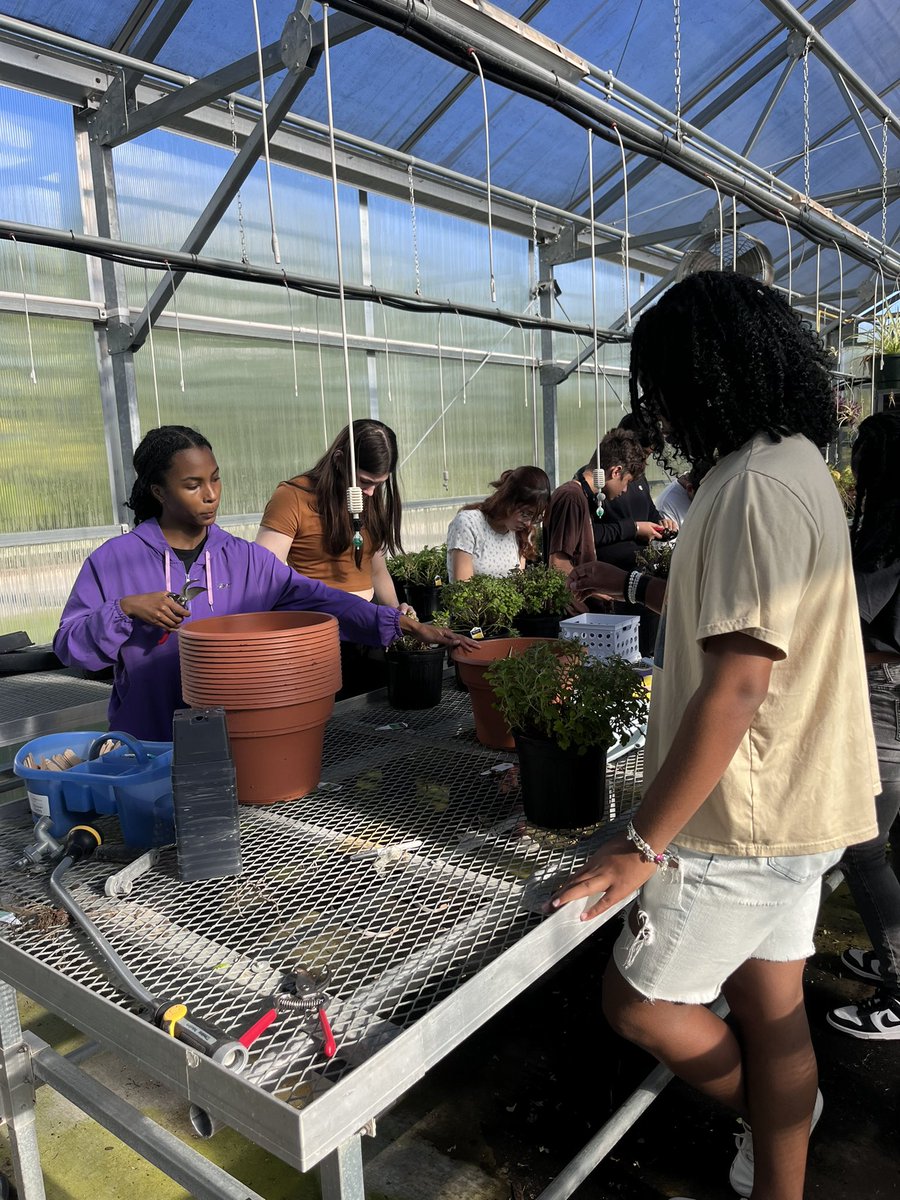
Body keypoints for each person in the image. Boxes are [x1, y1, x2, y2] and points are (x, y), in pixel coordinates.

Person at [555, 272, 878, 1200]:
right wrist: (647, 589)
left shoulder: (751, 488)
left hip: (745, 817)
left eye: (662, 388)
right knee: (773, 1013)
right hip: (799, 804)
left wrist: (641, 844)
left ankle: (776, 1117)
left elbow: (738, 686)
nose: (658, 414)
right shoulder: (792, 465)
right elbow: (742, 628)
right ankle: (781, 1165)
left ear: (705, 379)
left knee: (641, 1002)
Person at [54, 426, 469, 742]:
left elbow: (322, 600)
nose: (211, 495)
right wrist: (123, 609)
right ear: (159, 491)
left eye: (215, 479)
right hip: (146, 739)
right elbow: (70, 646)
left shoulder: (244, 559)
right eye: (193, 485)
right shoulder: (114, 560)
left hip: (232, 735)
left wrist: (400, 623)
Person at [826, 411, 900, 1039]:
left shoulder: (893, 529)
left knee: (862, 844)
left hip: (887, 695)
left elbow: (847, 612)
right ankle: (891, 952)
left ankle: (899, 982)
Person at [255, 420, 408, 696]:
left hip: (366, 627)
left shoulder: (368, 499)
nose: (371, 492)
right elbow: (266, 573)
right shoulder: (293, 497)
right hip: (316, 632)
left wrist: (396, 613)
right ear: (339, 460)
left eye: (379, 484)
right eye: (365, 481)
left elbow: (376, 570)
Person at [543, 429, 646, 579]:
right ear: (616, 472)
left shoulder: (582, 497)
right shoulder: (572, 498)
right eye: (627, 482)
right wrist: (595, 587)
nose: (625, 490)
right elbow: (559, 565)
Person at [446, 466, 550, 582]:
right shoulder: (468, 523)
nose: (528, 523)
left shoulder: (519, 533)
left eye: (534, 517)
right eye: (525, 513)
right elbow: (463, 586)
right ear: (508, 500)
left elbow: (518, 584)